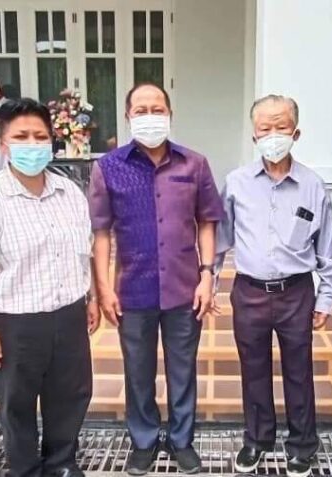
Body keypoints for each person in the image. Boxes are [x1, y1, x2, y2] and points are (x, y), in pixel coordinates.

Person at [0, 98, 96, 477]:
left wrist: (91, 298)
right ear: (3, 144)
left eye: (40, 136)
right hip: (14, 322)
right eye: (21, 137)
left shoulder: (69, 192)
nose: (32, 144)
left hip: (68, 315)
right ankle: (25, 468)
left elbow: (84, 252)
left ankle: (61, 462)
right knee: (16, 404)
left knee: (70, 395)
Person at [88, 83, 224, 476]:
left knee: (183, 370)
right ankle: (144, 441)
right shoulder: (108, 167)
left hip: (185, 288)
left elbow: (207, 222)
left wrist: (207, 275)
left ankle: (182, 440)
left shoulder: (194, 164)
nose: (150, 116)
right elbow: (100, 232)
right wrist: (103, 288)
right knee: (138, 371)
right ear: (128, 116)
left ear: (170, 114)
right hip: (133, 289)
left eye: (158, 109)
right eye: (141, 110)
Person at [216, 95, 332, 477]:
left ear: (296, 133)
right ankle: (257, 439)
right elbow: (221, 239)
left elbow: (327, 248)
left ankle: (303, 444)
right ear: (254, 135)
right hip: (249, 292)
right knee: (253, 369)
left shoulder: (313, 186)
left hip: (296, 293)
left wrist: (325, 298)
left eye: (281, 126)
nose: (273, 135)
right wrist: (208, 281)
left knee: (299, 371)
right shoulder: (236, 183)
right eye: (265, 128)